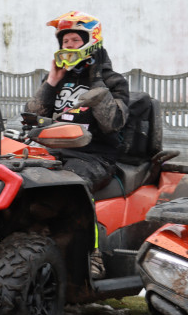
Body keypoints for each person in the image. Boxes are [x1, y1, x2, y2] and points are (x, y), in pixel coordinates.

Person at [24, 11, 129, 193]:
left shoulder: (113, 81)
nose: (69, 45)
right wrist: (51, 82)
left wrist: (96, 80)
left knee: (63, 190)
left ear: (90, 42)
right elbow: (32, 116)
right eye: (65, 41)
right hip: (54, 152)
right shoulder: (58, 80)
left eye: (75, 40)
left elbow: (111, 124)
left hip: (94, 157)